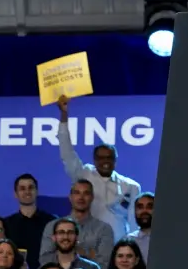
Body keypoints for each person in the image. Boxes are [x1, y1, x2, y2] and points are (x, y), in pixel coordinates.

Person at [57, 95, 142, 241]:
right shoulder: (83, 175)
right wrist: (64, 115)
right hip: (87, 245)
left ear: (116, 160)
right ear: (94, 160)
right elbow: (67, 152)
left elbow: (134, 224)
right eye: (101, 158)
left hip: (118, 247)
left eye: (109, 158)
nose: (105, 162)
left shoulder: (131, 187)